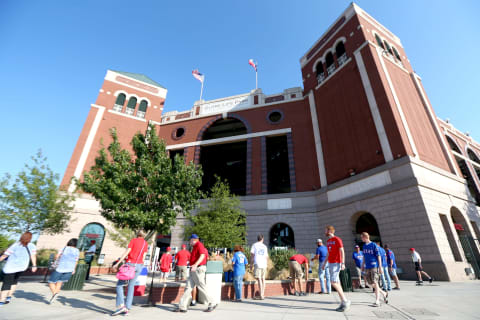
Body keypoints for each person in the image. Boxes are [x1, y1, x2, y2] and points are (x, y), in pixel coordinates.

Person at [175, 234, 217, 313]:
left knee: (201, 287)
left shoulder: (199, 245)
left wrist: (196, 264)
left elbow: (202, 255)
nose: (189, 242)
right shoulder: (195, 247)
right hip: (194, 269)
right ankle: (182, 306)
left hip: (198, 269)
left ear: (193, 240)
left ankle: (212, 302)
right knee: (188, 288)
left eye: (190, 240)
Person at [111, 231, 148, 316]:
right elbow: (144, 256)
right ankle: (127, 308)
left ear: (137, 234)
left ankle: (121, 305)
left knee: (119, 285)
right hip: (139, 265)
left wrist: (117, 263)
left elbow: (127, 252)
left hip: (130, 265)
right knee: (131, 286)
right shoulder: (145, 243)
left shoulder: (134, 240)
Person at [0, 232, 37, 307]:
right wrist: (34, 265)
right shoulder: (32, 246)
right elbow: (33, 256)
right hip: (22, 267)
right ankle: (8, 297)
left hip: (11, 268)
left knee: (6, 284)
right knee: (14, 281)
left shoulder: (15, 245)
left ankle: (1, 301)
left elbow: (5, 255)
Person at [321, 225, 350, 312]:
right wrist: (324, 263)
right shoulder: (328, 241)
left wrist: (343, 263)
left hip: (336, 263)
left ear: (330, 231)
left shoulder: (337, 239)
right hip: (330, 263)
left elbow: (342, 251)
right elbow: (328, 254)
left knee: (333, 282)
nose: (325, 231)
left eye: (326, 230)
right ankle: (343, 302)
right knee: (336, 282)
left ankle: (345, 301)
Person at [48, 238, 80, 304]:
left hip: (60, 268)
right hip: (70, 269)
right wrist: (74, 269)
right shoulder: (77, 251)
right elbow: (76, 261)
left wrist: (55, 260)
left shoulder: (64, 248)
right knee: (59, 282)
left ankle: (55, 293)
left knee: (51, 282)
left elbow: (57, 256)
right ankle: (53, 297)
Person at [361, 232, 388, 307]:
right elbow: (364, 256)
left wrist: (380, 266)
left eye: (362, 237)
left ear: (365, 237)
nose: (361, 239)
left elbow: (378, 256)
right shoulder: (364, 246)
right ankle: (383, 293)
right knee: (370, 283)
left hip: (374, 266)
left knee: (375, 282)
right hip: (367, 266)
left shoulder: (373, 245)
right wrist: (362, 265)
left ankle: (377, 301)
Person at [250, 234, 268, 300]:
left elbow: (252, 256)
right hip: (264, 263)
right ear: (262, 239)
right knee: (263, 279)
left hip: (257, 263)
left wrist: (251, 265)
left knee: (259, 278)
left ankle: (261, 295)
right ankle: (262, 294)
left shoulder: (254, 245)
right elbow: (266, 257)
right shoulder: (264, 246)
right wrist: (267, 264)